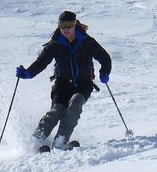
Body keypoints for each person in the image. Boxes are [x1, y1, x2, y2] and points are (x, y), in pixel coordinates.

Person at [15, 10, 112, 150]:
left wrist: (105, 72)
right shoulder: (55, 43)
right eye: (62, 25)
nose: (66, 29)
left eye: (69, 25)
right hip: (62, 85)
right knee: (56, 112)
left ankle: (60, 142)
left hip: (83, 84)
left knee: (75, 106)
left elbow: (104, 57)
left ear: (75, 24)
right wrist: (28, 73)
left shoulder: (86, 41)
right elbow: (41, 62)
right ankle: (34, 142)